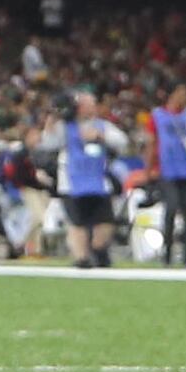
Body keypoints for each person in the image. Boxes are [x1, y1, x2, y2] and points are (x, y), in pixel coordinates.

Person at [58, 92, 124, 269]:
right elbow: (46, 142)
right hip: (71, 184)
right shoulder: (64, 127)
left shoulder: (102, 126)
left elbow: (121, 141)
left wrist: (101, 138)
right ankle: (81, 258)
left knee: (105, 222)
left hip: (98, 181)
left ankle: (98, 250)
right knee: (77, 222)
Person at [148, 83, 186, 267]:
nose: (184, 98)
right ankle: (167, 252)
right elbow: (152, 142)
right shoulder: (158, 116)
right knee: (170, 210)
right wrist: (149, 168)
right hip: (168, 171)